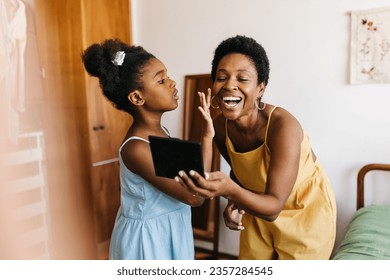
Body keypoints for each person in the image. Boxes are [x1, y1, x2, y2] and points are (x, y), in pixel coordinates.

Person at [177, 35, 337, 260]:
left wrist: (229, 190)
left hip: (303, 213)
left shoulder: (283, 126)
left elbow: (273, 208)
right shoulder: (219, 127)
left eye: (242, 78)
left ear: (261, 88)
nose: (230, 85)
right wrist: (234, 202)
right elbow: (241, 173)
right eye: (222, 77)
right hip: (258, 208)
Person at [81, 38, 214, 260]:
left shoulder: (161, 133)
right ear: (137, 97)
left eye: (167, 75)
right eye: (161, 80)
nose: (172, 83)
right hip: (147, 241)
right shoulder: (136, 148)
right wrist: (207, 142)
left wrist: (208, 137)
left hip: (171, 229)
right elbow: (195, 196)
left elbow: (200, 182)